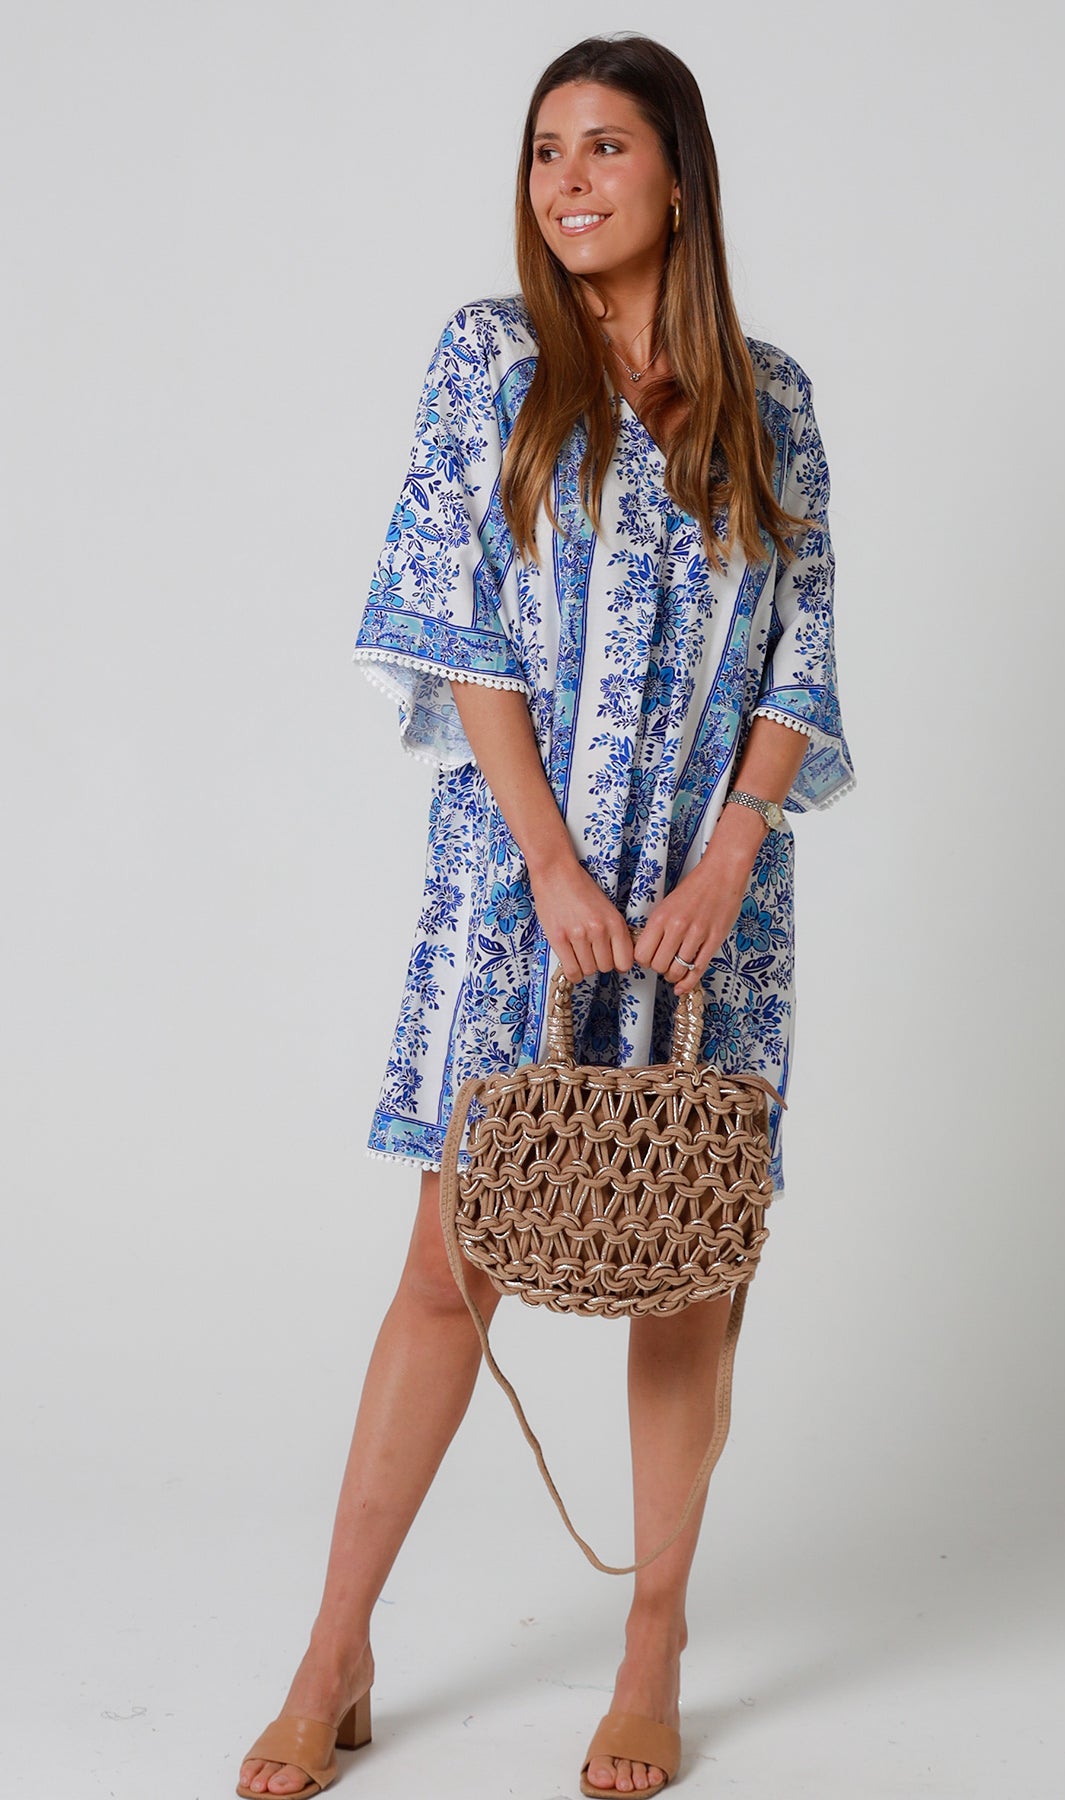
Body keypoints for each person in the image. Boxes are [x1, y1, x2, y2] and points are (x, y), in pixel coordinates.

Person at [236, 31, 854, 1800]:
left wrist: (731, 855)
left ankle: (653, 1647)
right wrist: (553, 868)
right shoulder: (488, 359)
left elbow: (803, 650)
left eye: (605, 146)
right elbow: (457, 626)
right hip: (523, 893)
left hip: (715, 914)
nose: (569, 180)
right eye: (544, 150)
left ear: (679, 175)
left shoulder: (773, 395)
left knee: (692, 1269)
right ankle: (333, 1650)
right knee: (453, 1269)